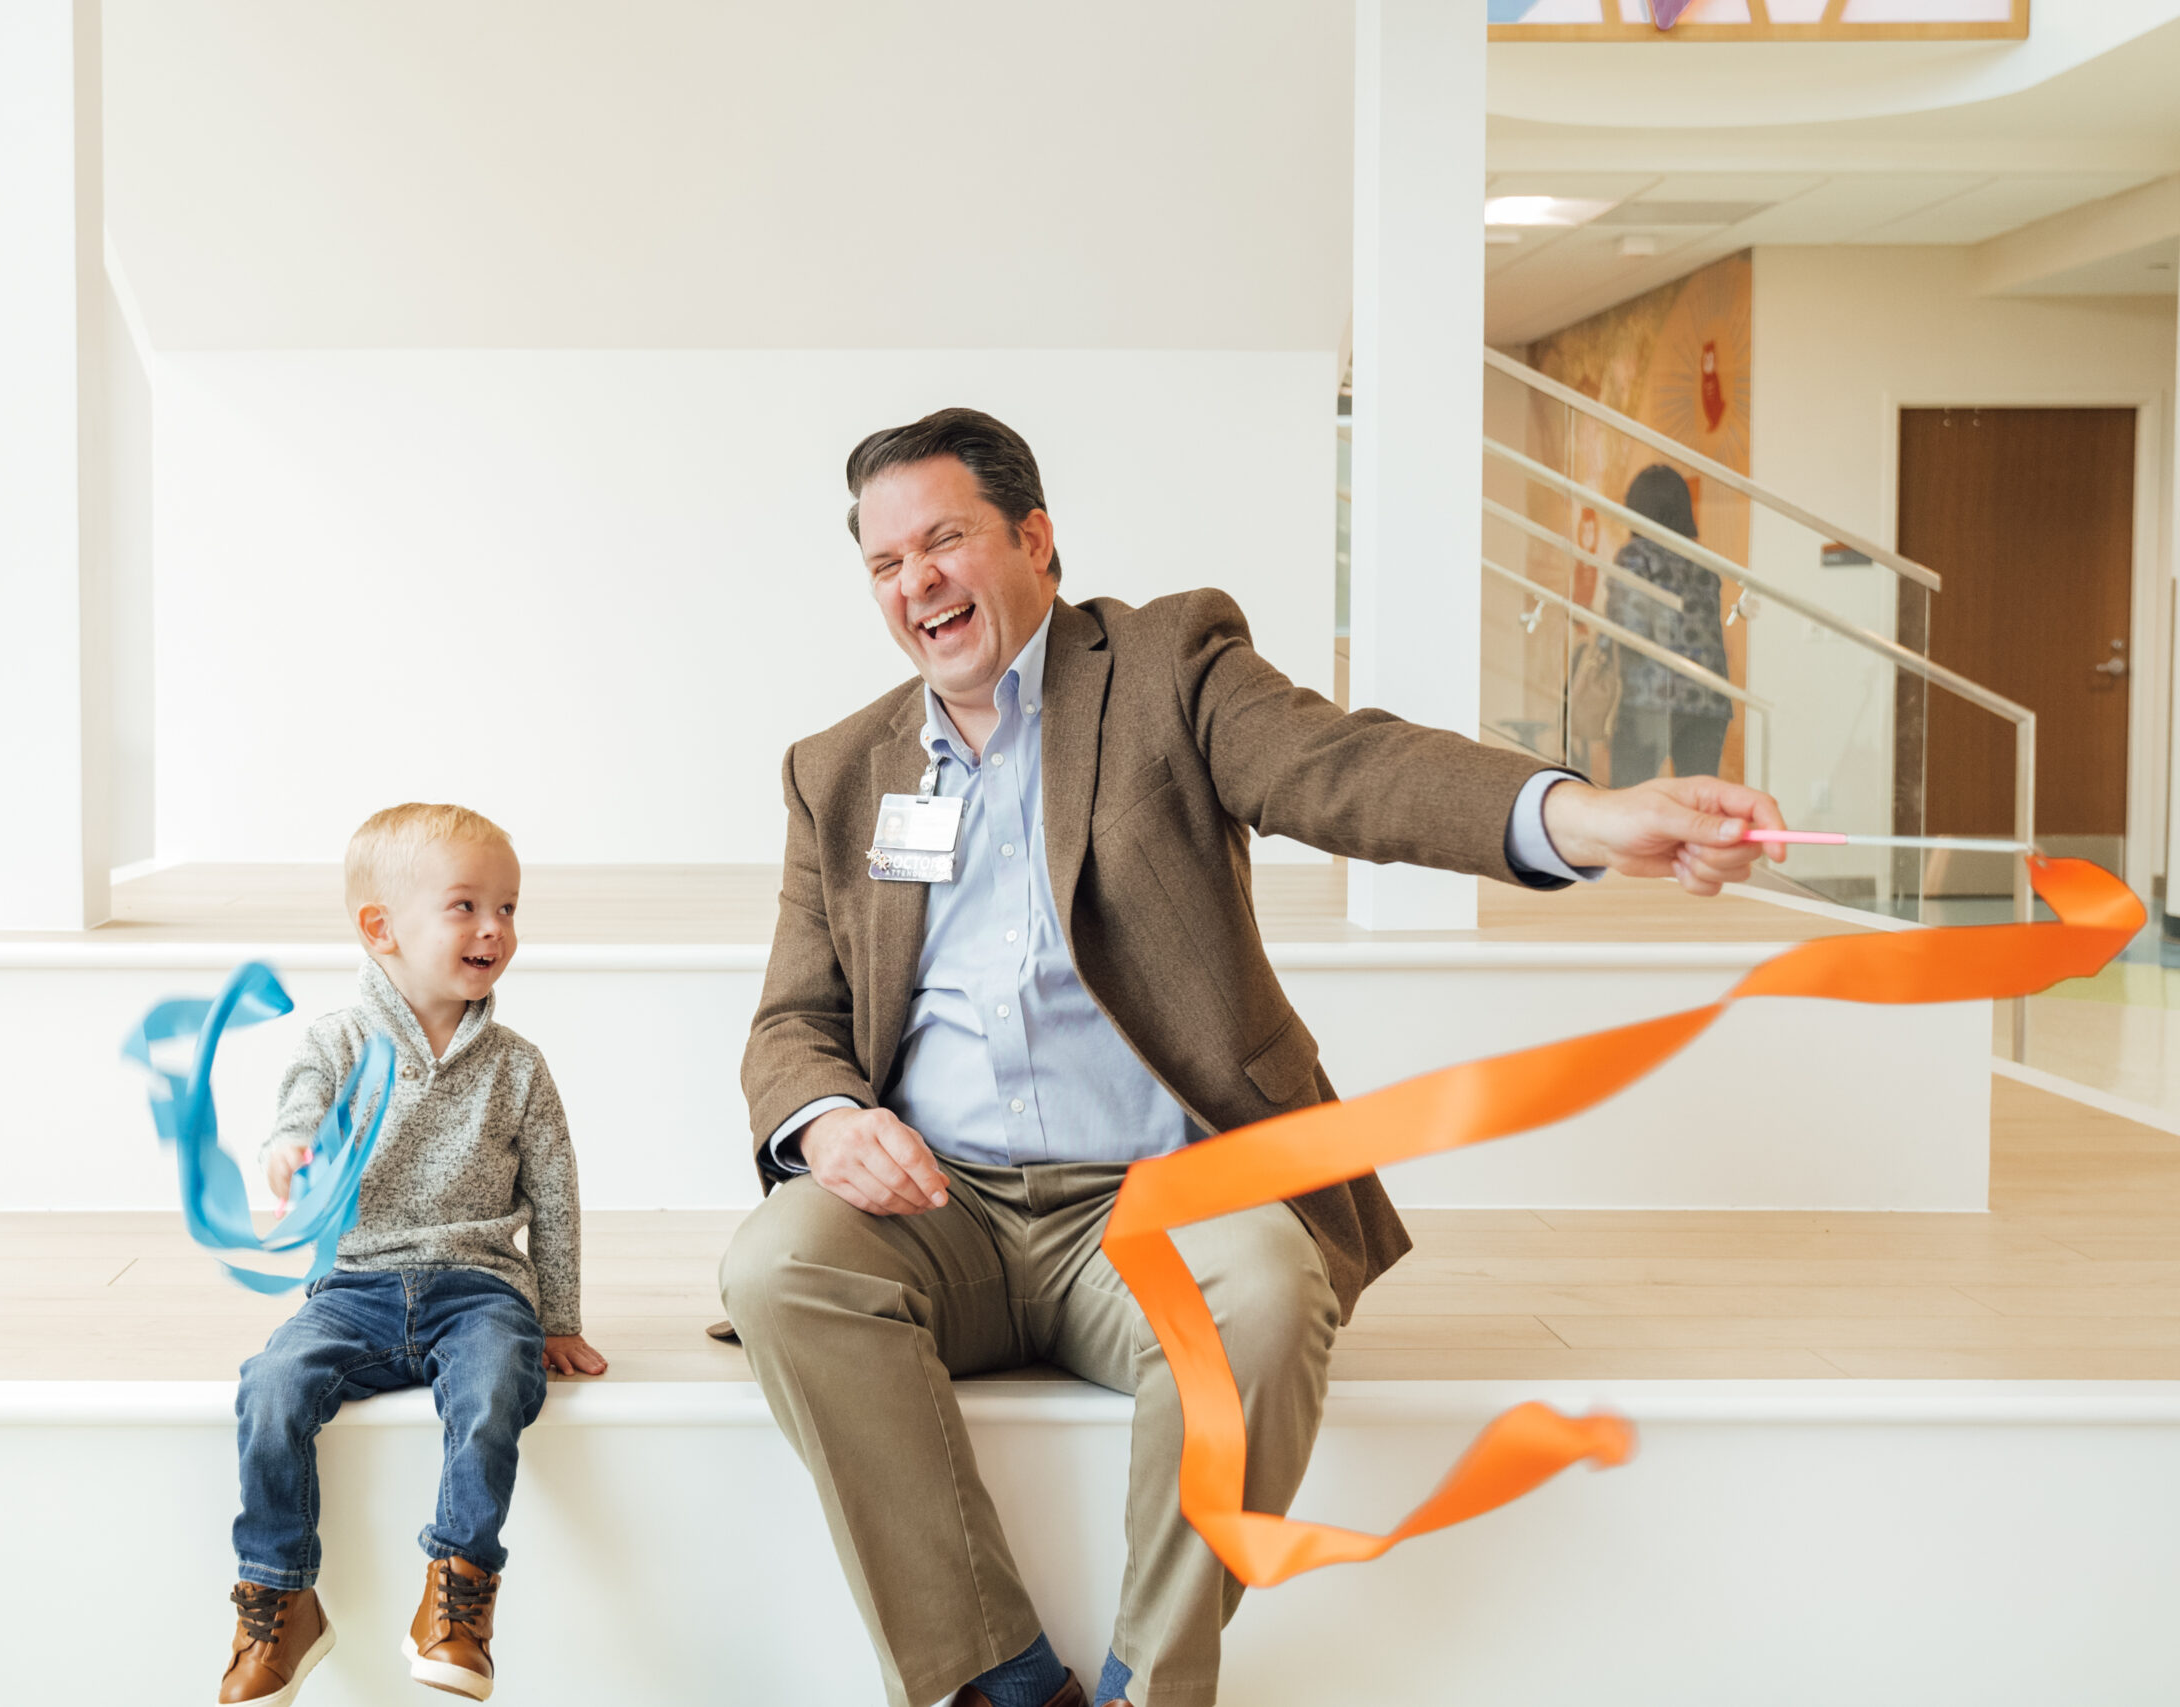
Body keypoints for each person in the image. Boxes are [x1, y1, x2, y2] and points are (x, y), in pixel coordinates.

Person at [720, 409, 1783, 1707]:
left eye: (944, 539)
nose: (916, 581)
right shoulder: (837, 769)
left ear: (1035, 540)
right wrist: (829, 1118)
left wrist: (1585, 815)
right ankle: (990, 1676)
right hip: (939, 1205)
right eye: (886, 563)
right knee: (780, 1264)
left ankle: (1151, 1684)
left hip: (1159, 1198)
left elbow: (1348, 768)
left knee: (1268, 1290)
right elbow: (791, 1021)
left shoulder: (1167, 663)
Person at [217, 803, 607, 1707]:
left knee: (494, 1385)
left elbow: (555, 1195)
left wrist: (557, 1318)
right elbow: (298, 1113)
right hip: (352, 1285)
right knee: (271, 1386)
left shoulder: (518, 1066)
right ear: (379, 929)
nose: (495, 929)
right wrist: (288, 1151)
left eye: (508, 908)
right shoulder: (337, 1041)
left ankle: (460, 1588)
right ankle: (277, 1593)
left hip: (476, 1288)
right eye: (467, 906)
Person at [1604, 463, 1734, 787]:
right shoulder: (1701, 560)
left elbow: (1629, 629)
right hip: (1709, 700)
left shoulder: (1636, 556)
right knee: (1699, 800)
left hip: (1651, 697)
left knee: (1629, 800)